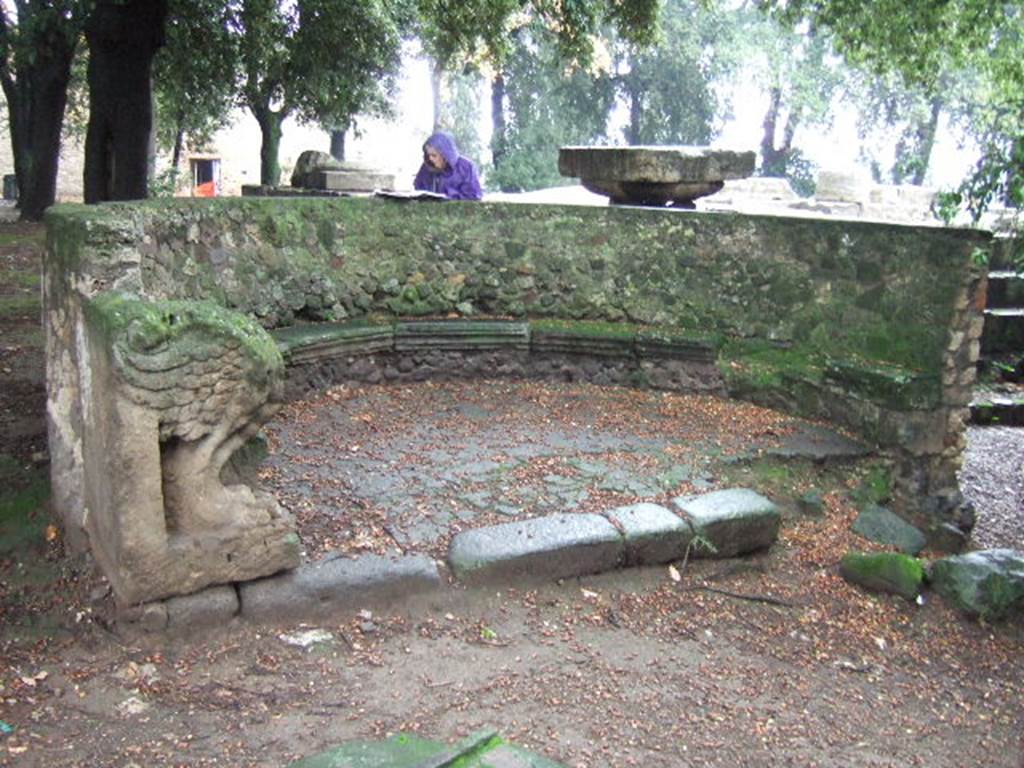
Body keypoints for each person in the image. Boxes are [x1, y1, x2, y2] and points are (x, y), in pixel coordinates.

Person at [413, 132, 483, 200]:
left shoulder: (466, 167)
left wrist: (448, 195)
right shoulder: (426, 168)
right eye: (428, 155)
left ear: (445, 155)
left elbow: (473, 196)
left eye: (434, 155)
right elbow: (418, 189)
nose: (430, 158)